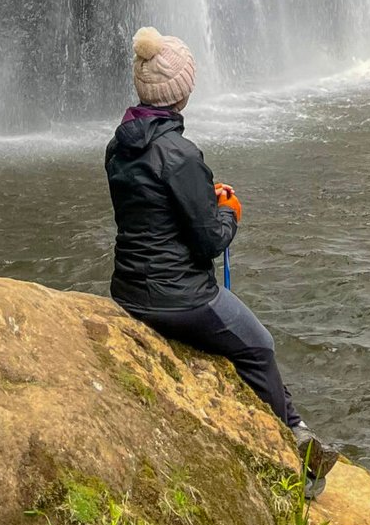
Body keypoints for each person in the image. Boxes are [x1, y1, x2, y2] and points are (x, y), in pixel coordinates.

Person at [105, 25, 339, 498]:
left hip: (130, 287)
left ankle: (298, 433)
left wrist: (201, 199)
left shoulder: (119, 144)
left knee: (246, 341)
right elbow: (210, 241)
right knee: (259, 346)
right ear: (180, 93)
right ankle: (296, 449)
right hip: (178, 297)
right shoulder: (180, 153)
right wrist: (228, 213)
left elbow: (154, 212)